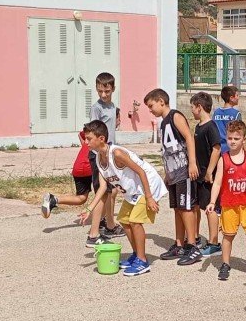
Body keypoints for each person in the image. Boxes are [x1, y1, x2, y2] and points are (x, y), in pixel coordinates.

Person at [80, 120, 167, 277]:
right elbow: (102, 188)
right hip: (133, 192)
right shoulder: (99, 158)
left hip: (148, 186)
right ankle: (136, 254)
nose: (86, 142)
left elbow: (141, 171)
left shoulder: (117, 154)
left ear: (101, 138)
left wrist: (149, 197)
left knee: (135, 222)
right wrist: (88, 209)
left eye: (89, 138)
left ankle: (142, 261)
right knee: (124, 220)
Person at [144, 88, 201, 266]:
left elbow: (189, 138)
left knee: (186, 208)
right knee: (177, 208)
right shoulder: (163, 123)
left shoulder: (175, 116)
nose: (150, 110)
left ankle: (192, 245)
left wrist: (192, 163)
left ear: (161, 101)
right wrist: (167, 173)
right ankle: (179, 244)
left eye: (151, 106)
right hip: (173, 174)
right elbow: (167, 151)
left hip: (184, 171)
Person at [206, 120, 246, 281]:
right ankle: (225, 264)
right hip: (229, 205)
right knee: (228, 236)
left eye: (236, 138)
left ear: (244, 139)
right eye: (229, 138)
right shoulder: (223, 159)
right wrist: (212, 202)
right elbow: (217, 182)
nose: (232, 141)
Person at [41, 129, 107, 247]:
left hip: (78, 166)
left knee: (81, 198)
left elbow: (80, 134)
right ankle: (104, 223)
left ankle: (53, 199)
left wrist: (85, 145)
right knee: (104, 193)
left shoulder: (89, 134)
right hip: (88, 165)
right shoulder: (101, 134)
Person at [188, 92, 224, 258]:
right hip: (199, 175)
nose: (191, 111)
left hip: (208, 176)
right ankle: (195, 238)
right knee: (198, 206)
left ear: (199, 107)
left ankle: (214, 243)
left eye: (192, 107)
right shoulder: (198, 127)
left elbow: (217, 148)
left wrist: (209, 171)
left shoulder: (211, 126)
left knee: (211, 208)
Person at [89, 72, 123, 239]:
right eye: (100, 91)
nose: (103, 94)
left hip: (109, 153)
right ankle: (97, 231)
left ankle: (108, 224)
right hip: (99, 155)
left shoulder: (112, 106)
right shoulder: (96, 108)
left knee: (112, 191)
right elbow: (93, 132)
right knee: (103, 193)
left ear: (113, 89)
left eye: (107, 91)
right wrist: (100, 154)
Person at [211, 85, 241, 154]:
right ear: (231, 98)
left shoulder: (216, 112)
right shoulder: (236, 114)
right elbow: (239, 133)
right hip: (230, 148)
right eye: (237, 95)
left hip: (216, 148)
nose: (238, 98)